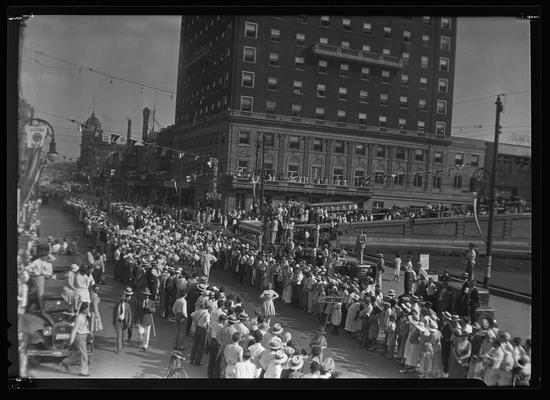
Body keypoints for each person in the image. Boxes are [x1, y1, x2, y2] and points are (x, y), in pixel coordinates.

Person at [62, 303, 91, 376]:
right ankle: (83, 372)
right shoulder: (79, 318)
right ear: (84, 310)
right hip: (80, 337)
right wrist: (71, 340)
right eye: (87, 309)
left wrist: (89, 332)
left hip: (83, 336)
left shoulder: (84, 316)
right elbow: (74, 329)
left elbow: (84, 327)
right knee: (84, 355)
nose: (88, 310)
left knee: (80, 353)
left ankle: (66, 361)